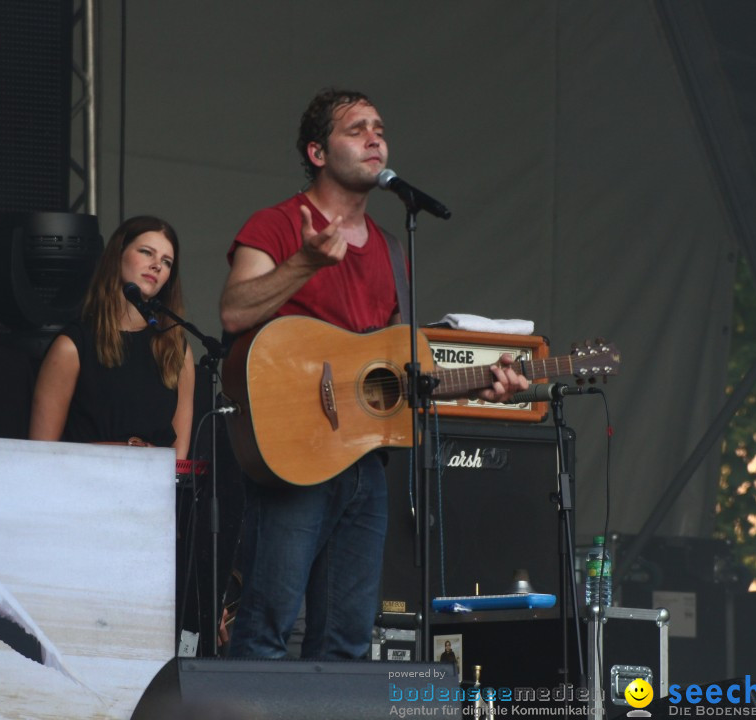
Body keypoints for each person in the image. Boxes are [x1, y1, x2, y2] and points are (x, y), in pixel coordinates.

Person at [219, 88, 528, 659]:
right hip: (296, 452)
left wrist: (480, 385)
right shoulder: (277, 224)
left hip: (364, 461)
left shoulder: (390, 247)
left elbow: (393, 369)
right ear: (317, 152)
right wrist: (305, 263)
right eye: (356, 128)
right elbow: (234, 310)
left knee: (347, 640)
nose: (375, 137)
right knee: (266, 630)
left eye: (379, 128)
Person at [30, 215, 195, 458]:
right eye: (147, 252)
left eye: (167, 261)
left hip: (154, 492)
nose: (157, 265)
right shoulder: (73, 345)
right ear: (118, 255)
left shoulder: (175, 349)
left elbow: (179, 461)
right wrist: (123, 452)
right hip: (84, 487)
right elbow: (39, 453)